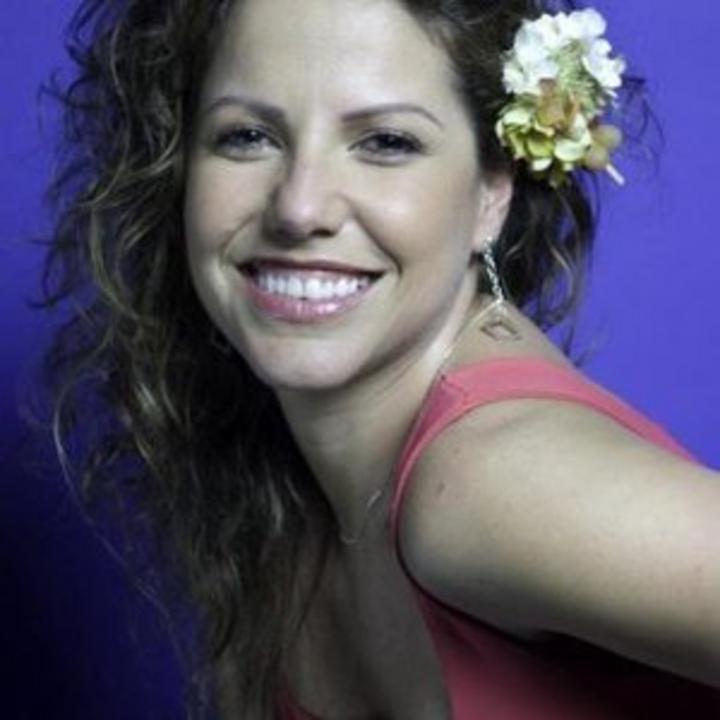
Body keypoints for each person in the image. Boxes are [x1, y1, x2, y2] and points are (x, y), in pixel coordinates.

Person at [39, 0, 720, 717]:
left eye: (386, 142)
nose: (299, 208)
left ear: (492, 194)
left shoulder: (494, 479)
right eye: (247, 136)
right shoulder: (278, 490)